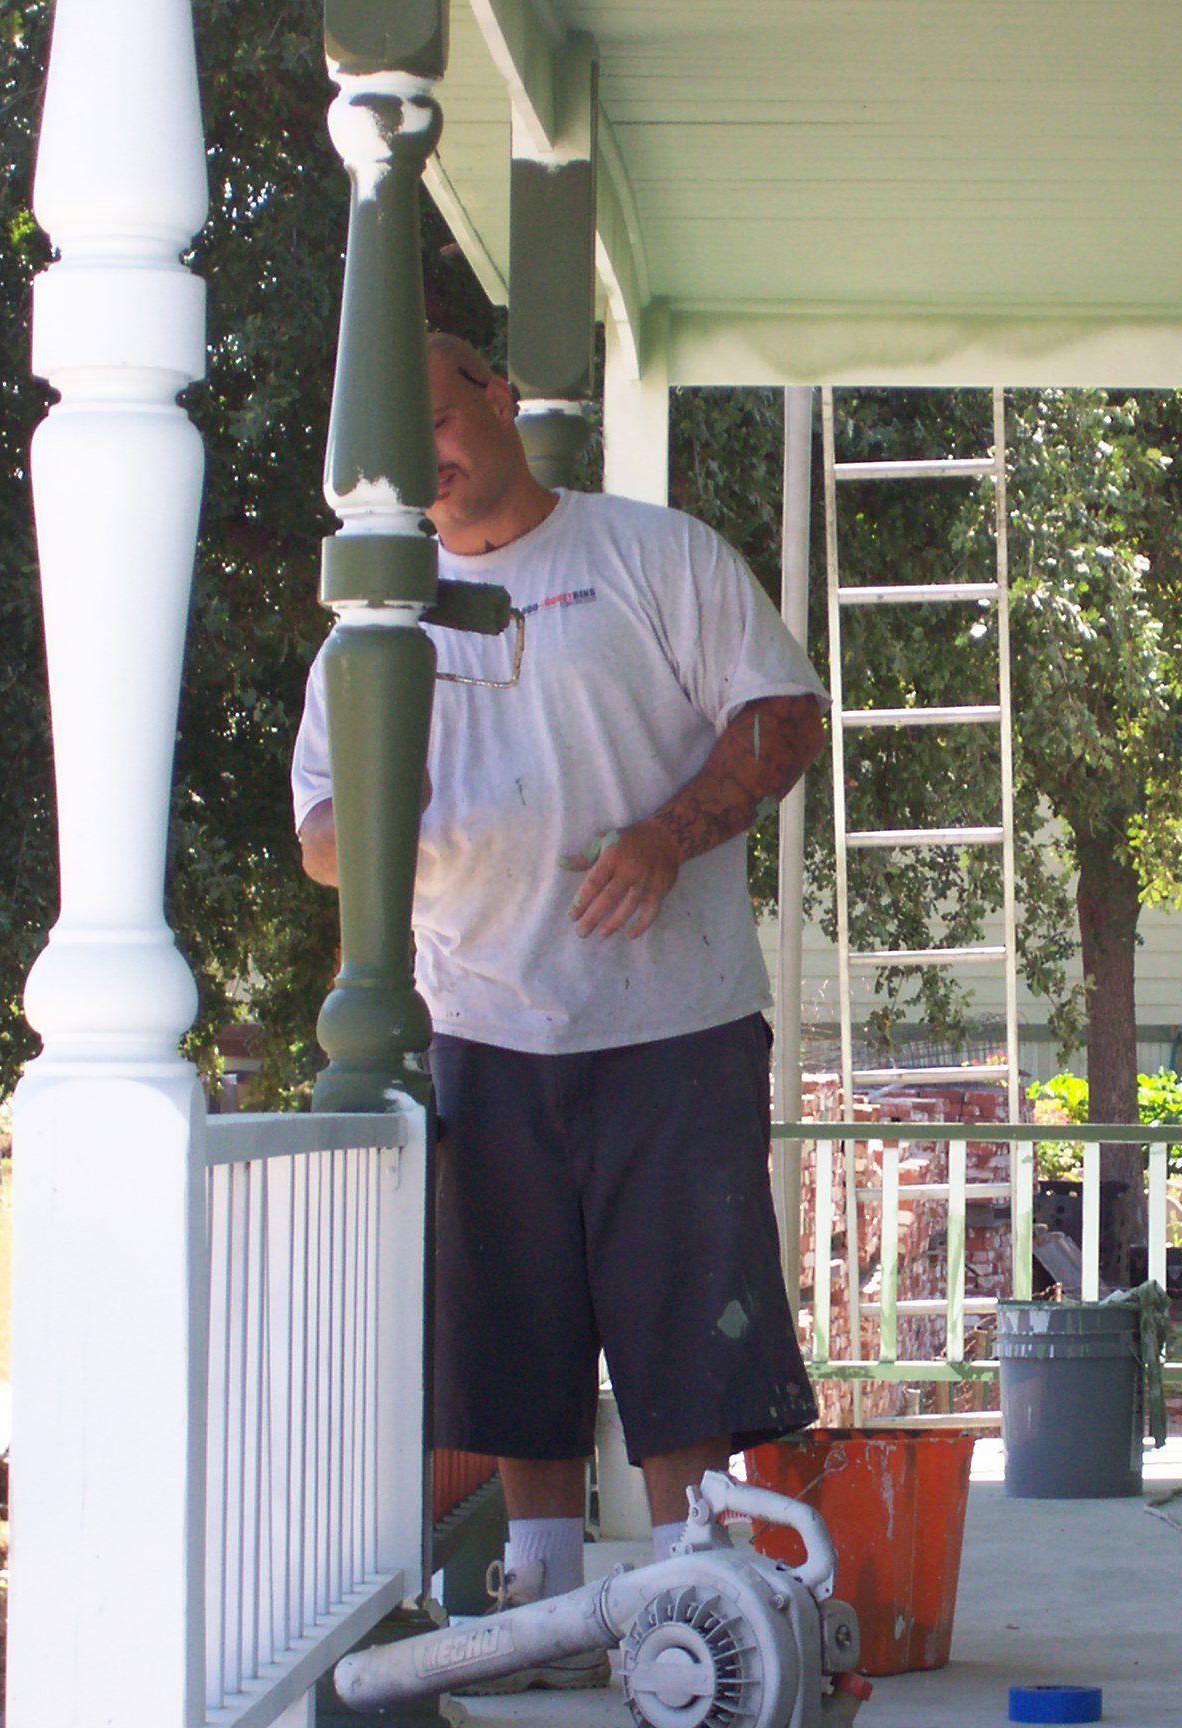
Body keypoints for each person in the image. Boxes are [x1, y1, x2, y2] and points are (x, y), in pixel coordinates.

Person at [292, 334, 825, 1690]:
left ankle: (690, 1598)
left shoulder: (652, 553)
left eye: (439, 419)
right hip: (478, 1026)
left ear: (495, 397)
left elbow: (784, 717)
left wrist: (666, 835)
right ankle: (539, 1605)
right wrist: (380, 810)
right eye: (395, 442)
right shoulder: (372, 625)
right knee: (510, 1334)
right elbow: (319, 840)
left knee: (684, 1334)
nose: (426, 458)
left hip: (676, 1024)